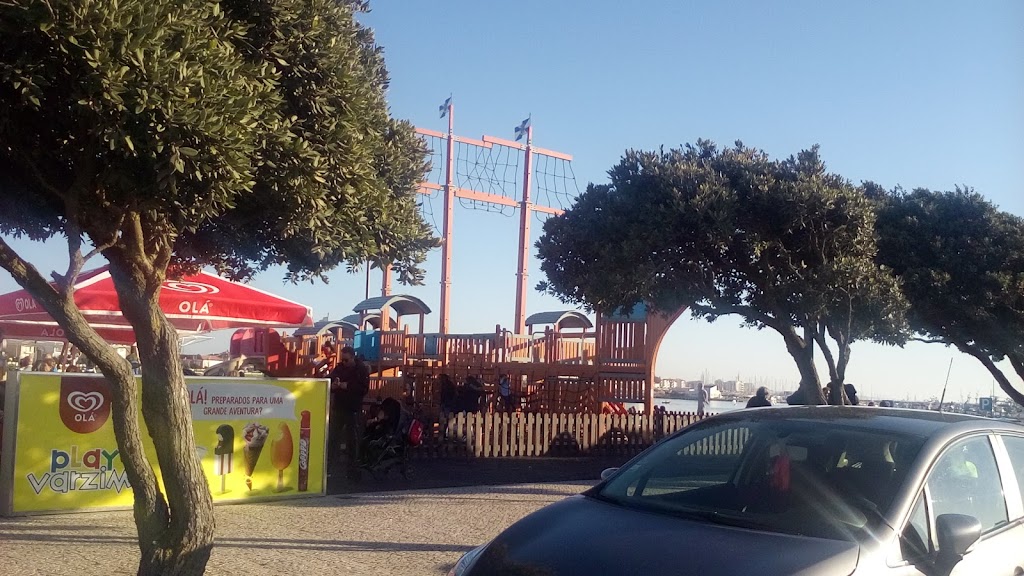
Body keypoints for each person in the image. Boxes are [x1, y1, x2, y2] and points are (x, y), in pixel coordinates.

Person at [328, 346, 370, 480]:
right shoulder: (340, 368)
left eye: (346, 360)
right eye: (342, 360)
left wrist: (347, 386)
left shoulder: (361, 369)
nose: (344, 363)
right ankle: (328, 468)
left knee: (352, 441)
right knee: (333, 438)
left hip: (352, 408)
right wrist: (333, 385)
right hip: (339, 406)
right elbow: (329, 378)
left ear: (353, 357)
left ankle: (352, 470)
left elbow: (363, 388)